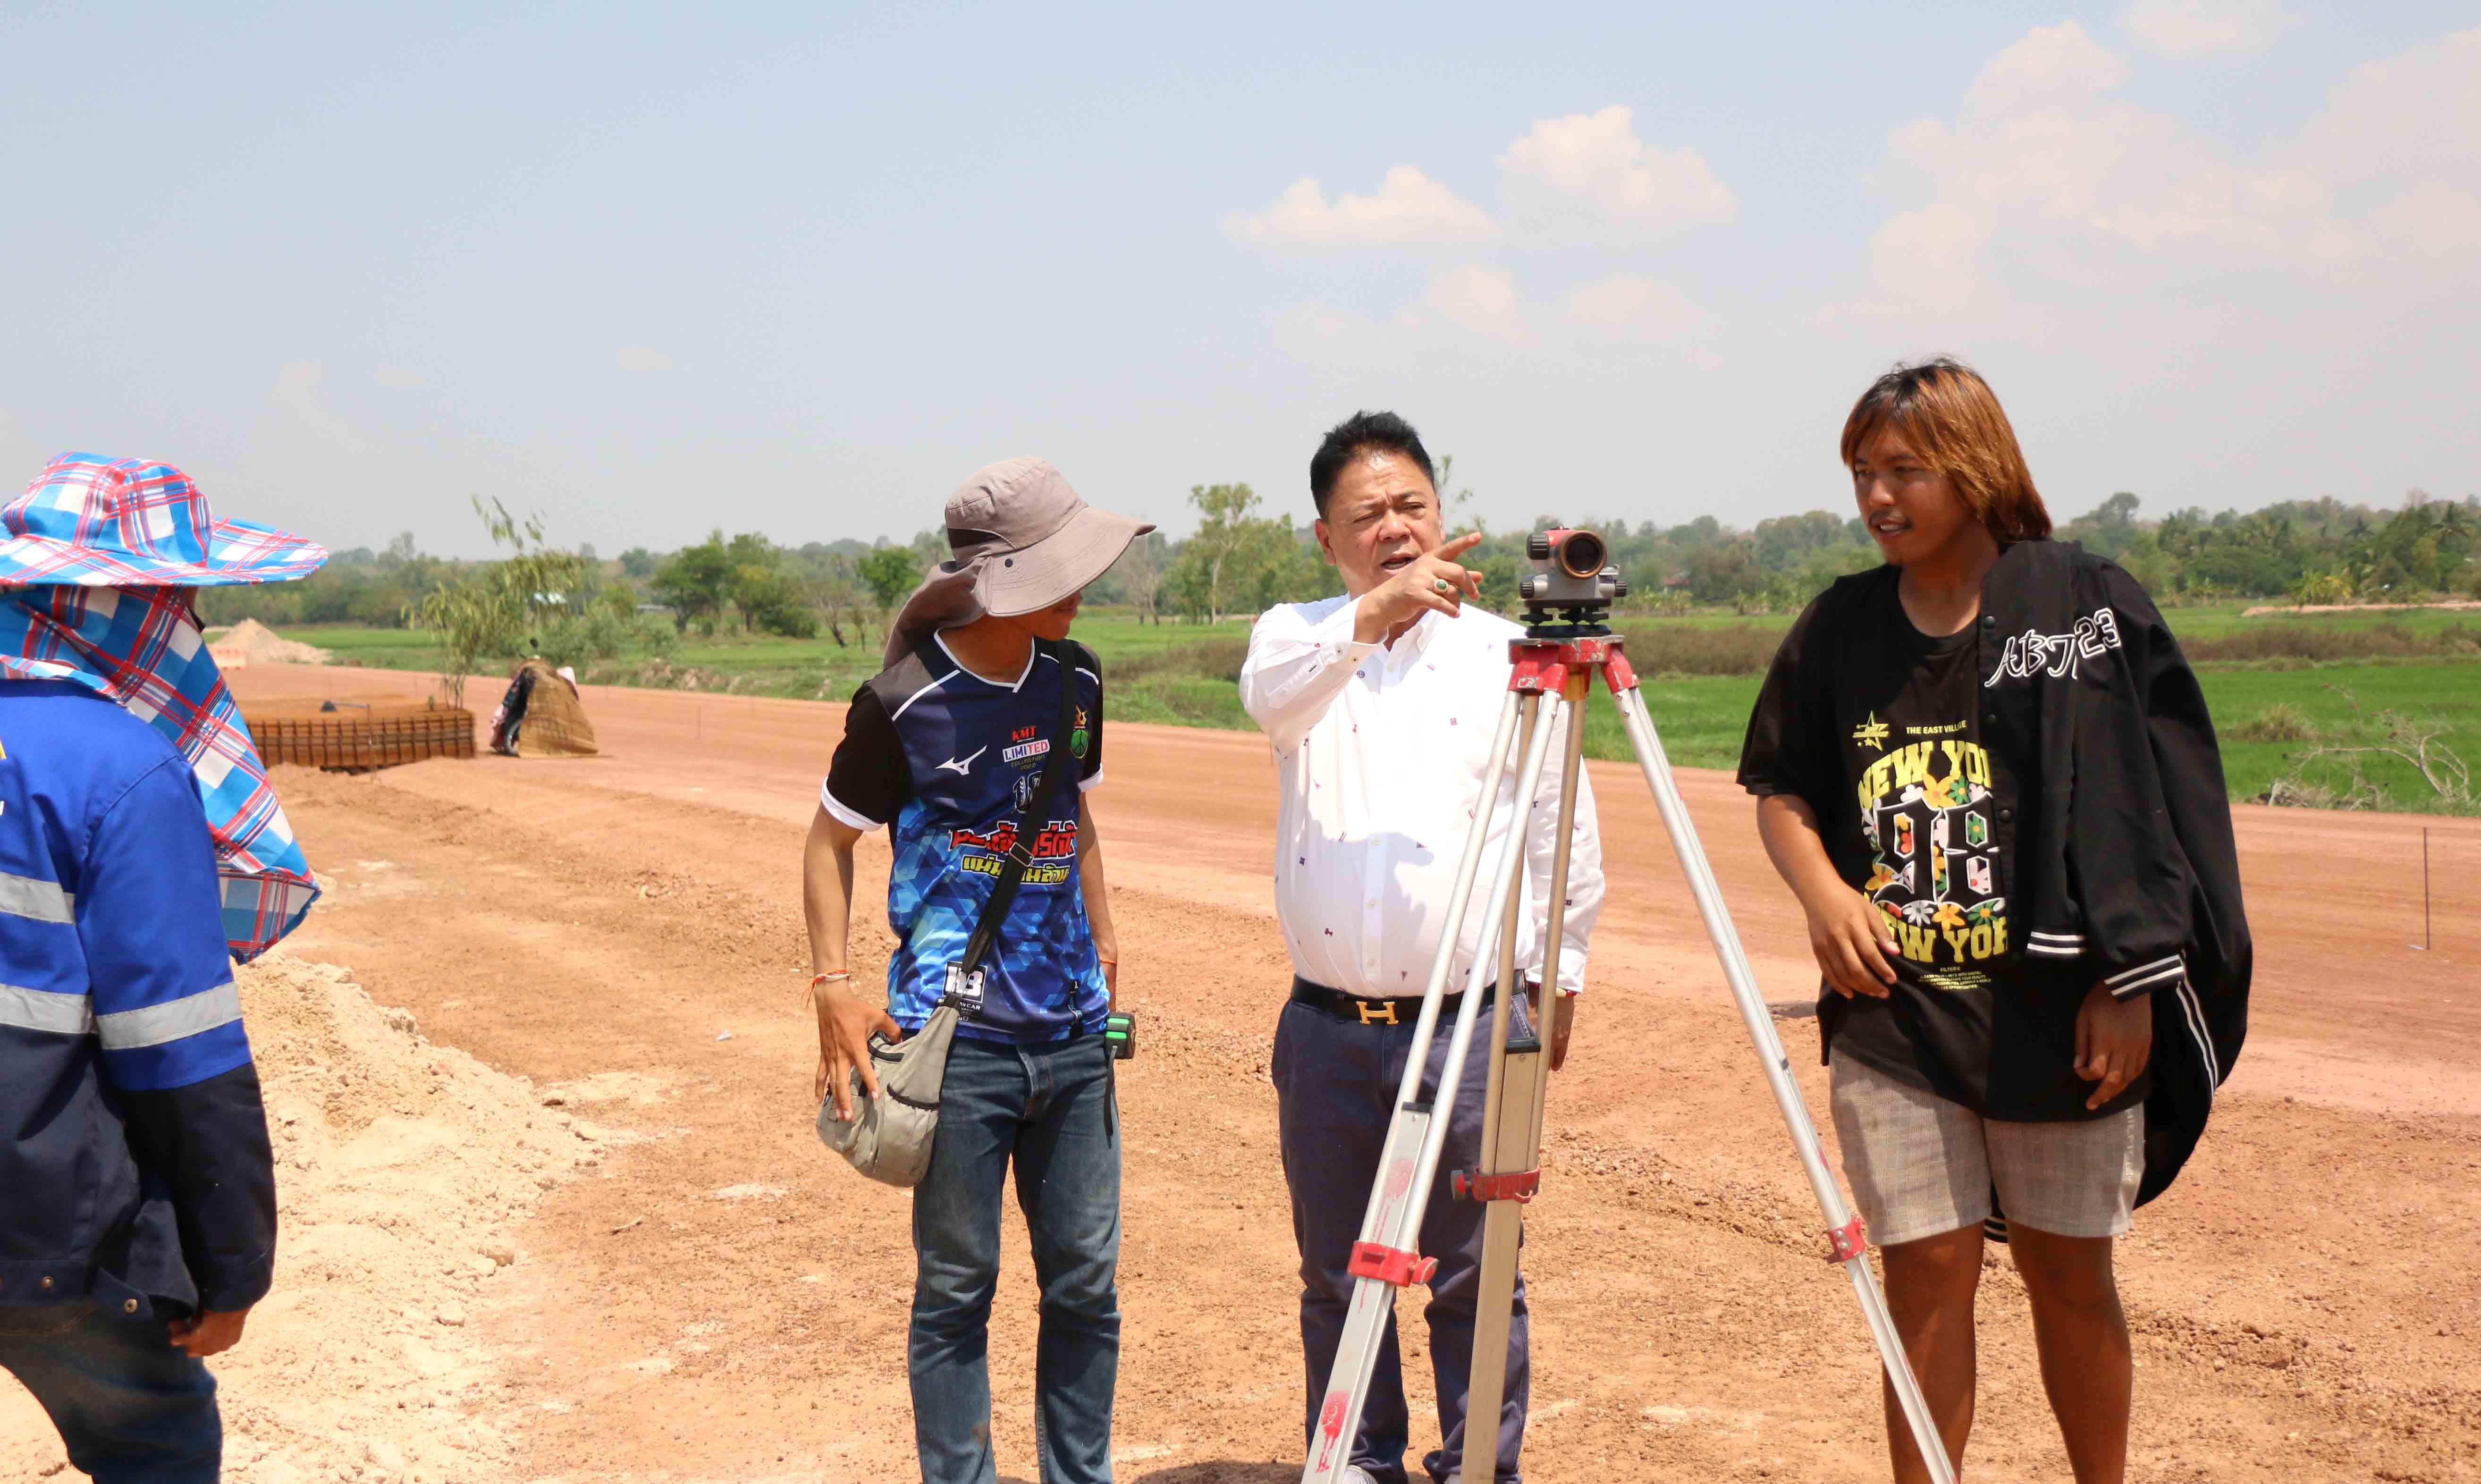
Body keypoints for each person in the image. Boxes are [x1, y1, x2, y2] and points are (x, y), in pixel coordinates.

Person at [1736, 361, 2250, 1484]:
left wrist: (2127, 981)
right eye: (1862, 473)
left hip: (2063, 1016)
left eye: (1903, 470)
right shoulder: (1839, 627)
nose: (1877, 497)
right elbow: (1781, 790)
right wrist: (1825, 897)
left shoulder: (2080, 605)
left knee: (2070, 1277)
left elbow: (2149, 804)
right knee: (1924, 1280)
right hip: (1897, 1020)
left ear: (1973, 467)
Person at [1239, 412, 1605, 1484]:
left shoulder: (1508, 656)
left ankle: (1480, 1468)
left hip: (1473, 1025)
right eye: (1368, 515)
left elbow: (1561, 825)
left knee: (1476, 1276)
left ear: (1443, 515)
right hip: (1329, 1029)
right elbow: (1271, 704)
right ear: (1327, 538)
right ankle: (1359, 1460)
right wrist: (1373, 616)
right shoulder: (1294, 638)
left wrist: (1558, 976)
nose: (1395, 530)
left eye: (1412, 507)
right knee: (1335, 1273)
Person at [806, 457, 1151, 1484]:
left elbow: (1072, 811)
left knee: (1086, 1287)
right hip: (958, 1048)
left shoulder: (1078, 679)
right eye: (1060, 566)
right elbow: (827, 844)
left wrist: (1105, 931)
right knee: (958, 1291)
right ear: (1001, 579)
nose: (1081, 585)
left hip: (1075, 1037)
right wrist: (831, 985)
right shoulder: (903, 702)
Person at [0, 453, 327, 1482]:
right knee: (156, 1444)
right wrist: (232, 1267)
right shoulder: (121, 769)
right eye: (179, 599)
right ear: (121, 607)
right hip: (39, 1226)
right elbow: (178, 1052)